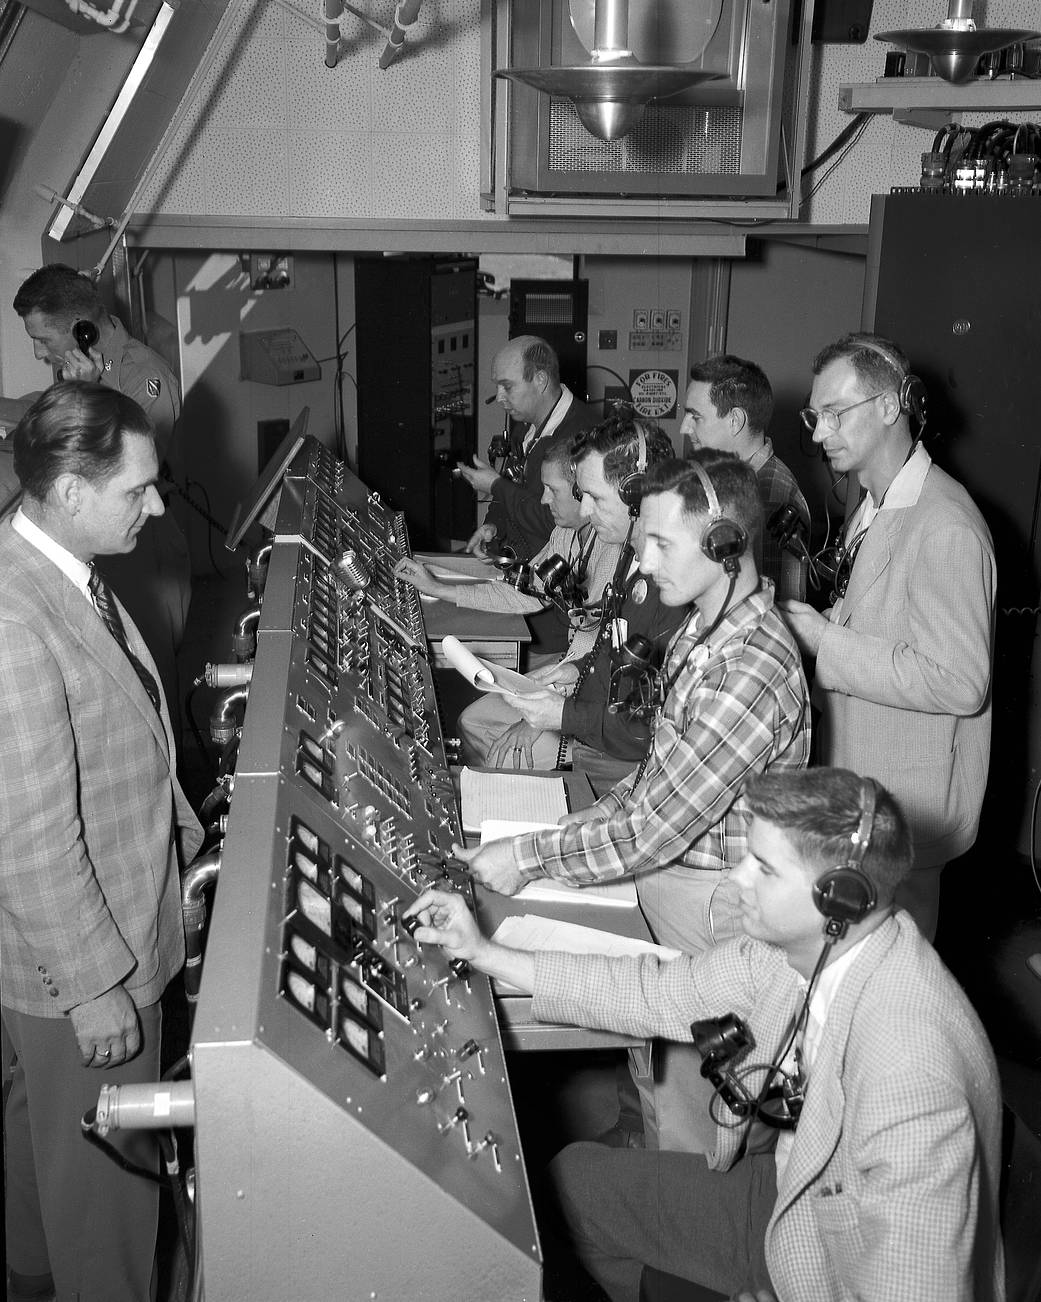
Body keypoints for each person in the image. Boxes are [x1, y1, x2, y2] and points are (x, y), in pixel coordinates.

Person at [406, 768, 1004, 1302]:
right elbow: (663, 993)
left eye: (764, 868)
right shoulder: (811, 945)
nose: (737, 877)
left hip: (834, 1265)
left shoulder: (911, 1079)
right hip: (791, 1195)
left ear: (839, 898)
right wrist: (486, 953)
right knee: (574, 1183)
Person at [456, 451, 810, 1151]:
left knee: (692, 1125)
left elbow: (653, 829)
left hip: (711, 908)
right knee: (651, 1077)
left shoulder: (746, 671)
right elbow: (655, 774)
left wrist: (528, 857)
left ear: (725, 546)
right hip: (674, 886)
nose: (642, 564)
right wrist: (580, 821)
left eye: (661, 544)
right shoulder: (705, 632)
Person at [0, 382, 202, 1302]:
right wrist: (93, 989)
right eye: (139, 490)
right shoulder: (15, 617)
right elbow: (32, 838)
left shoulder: (63, 573)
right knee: (111, 1196)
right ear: (72, 491)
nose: (156, 506)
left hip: (93, 932)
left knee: (44, 1156)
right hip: (87, 960)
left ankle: (35, 1277)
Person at [779, 333, 995, 941]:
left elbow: (959, 681)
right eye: (814, 416)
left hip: (911, 807)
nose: (819, 434)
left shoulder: (944, 523)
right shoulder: (874, 506)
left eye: (834, 414)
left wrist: (825, 639)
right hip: (866, 790)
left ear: (890, 406)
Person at [11, 263, 192, 718]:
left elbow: (133, 469)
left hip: (142, 539)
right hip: (99, 537)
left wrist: (91, 393)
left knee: (152, 688)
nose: (38, 353)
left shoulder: (143, 373)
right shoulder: (78, 369)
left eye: (42, 339)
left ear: (80, 329)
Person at [394, 439, 621, 769]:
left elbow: (603, 654)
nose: (544, 500)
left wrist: (533, 721)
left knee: (499, 750)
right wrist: (439, 585)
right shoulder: (568, 533)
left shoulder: (613, 550)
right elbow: (526, 592)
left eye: (551, 490)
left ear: (581, 492)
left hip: (593, 699)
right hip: (570, 671)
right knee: (471, 722)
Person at [497, 414, 682, 792]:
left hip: (628, 776)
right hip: (595, 751)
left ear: (638, 493)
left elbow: (650, 728)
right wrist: (575, 671)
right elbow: (617, 656)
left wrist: (563, 715)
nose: (583, 512)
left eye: (595, 497)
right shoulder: (630, 560)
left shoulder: (675, 590)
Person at [681, 354, 810, 598]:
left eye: (696, 417)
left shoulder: (771, 494)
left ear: (735, 421)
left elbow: (770, 609)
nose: (685, 428)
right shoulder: (733, 485)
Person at [458, 334, 595, 563]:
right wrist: (494, 525)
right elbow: (513, 488)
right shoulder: (525, 430)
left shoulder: (584, 434)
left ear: (540, 380)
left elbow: (555, 522)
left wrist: (495, 485)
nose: (500, 397)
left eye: (507, 387)